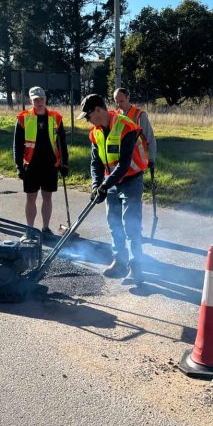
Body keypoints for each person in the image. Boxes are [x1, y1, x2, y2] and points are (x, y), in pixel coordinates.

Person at [77, 93, 149, 285]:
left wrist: (104, 185)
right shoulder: (96, 131)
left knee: (131, 225)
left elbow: (124, 164)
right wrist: (96, 186)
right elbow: (96, 163)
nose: (88, 121)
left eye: (88, 116)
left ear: (98, 110)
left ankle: (137, 266)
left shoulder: (126, 126)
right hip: (112, 182)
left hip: (131, 180)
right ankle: (120, 262)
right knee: (114, 222)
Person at [13, 86, 69, 240]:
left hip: (50, 165)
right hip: (31, 165)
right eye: (35, 99)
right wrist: (18, 165)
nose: (39, 102)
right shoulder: (23, 118)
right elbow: (17, 145)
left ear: (45, 99)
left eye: (41, 99)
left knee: (47, 197)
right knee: (31, 198)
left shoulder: (56, 118)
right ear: (30, 100)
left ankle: (45, 228)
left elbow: (62, 143)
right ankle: (30, 230)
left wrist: (65, 164)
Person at [114, 87, 157, 171]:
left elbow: (150, 138)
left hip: (137, 162)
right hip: (120, 161)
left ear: (128, 98)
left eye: (121, 101)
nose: (119, 104)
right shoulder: (115, 116)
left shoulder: (140, 115)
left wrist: (152, 159)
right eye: (116, 102)